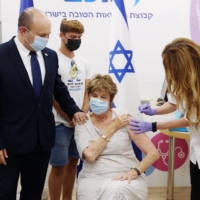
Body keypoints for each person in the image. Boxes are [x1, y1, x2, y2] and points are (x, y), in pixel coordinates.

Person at [0, 8, 88, 200]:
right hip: (9, 143)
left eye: (48, 34)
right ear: (24, 31)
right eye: (42, 35)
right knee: (4, 193)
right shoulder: (2, 54)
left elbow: (58, 88)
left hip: (42, 139)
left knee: (34, 192)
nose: (46, 39)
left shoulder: (50, 56)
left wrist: (74, 110)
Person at [129, 38, 200, 200]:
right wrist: (154, 111)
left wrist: (153, 125)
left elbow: (189, 120)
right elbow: (174, 103)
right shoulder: (180, 80)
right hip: (197, 149)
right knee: (196, 189)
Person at [74, 74, 159, 200]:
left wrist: (134, 172)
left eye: (103, 97)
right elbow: (90, 155)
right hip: (93, 179)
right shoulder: (82, 122)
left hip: (125, 175)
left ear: (110, 100)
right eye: (94, 96)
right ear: (89, 97)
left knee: (118, 190)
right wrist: (112, 127)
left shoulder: (124, 118)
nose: (98, 100)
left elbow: (153, 153)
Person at [48, 18, 92, 200]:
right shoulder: (52, 59)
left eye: (79, 36)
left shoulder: (84, 62)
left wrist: (81, 114)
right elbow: (52, 95)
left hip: (79, 123)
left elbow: (88, 92)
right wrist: (69, 116)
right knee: (58, 165)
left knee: (74, 162)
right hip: (59, 123)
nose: (77, 40)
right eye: (73, 36)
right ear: (61, 35)